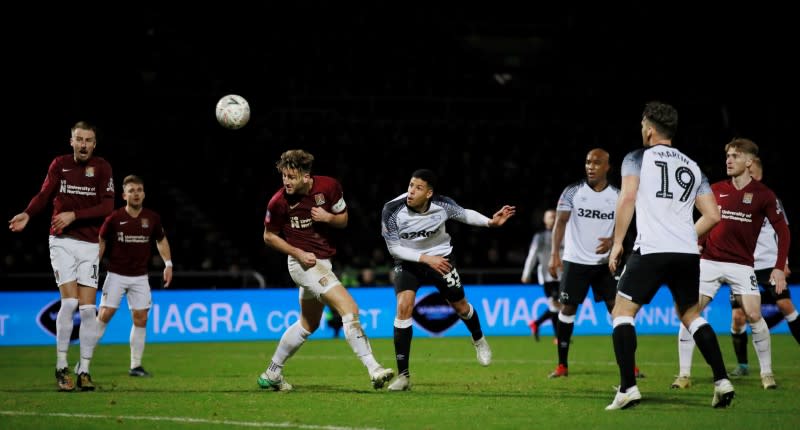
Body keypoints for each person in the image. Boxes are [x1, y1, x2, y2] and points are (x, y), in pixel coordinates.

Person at [607, 101, 733, 410]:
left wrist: (617, 243)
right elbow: (713, 215)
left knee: (622, 312)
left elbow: (627, 198)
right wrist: (688, 235)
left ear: (649, 129)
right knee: (691, 315)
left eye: (641, 125)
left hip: (651, 248)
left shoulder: (636, 158)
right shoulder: (692, 166)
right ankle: (721, 381)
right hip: (687, 252)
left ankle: (628, 388)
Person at [256, 149, 394, 391]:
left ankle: (271, 373)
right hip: (303, 264)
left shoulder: (329, 187)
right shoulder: (278, 202)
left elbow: (343, 219)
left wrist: (328, 218)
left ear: (306, 175)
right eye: (284, 176)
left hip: (323, 261)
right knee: (349, 309)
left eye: (291, 176)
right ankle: (374, 369)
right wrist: (297, 253)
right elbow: (268, 237)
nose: (286, 182)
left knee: (308, 324)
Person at [380, 169, 515, 391]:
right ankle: (403, 376)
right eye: (410, 185)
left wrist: (490, 222)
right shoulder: (392, 210)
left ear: (429, 193)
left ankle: (479, 340)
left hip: (441, 259)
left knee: (461, 307)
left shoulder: (442, 205)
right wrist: (425, 259)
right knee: (403, 307)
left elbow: (465, 214)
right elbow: (394, 249)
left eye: (418, 188)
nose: (411, 191)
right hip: (408, 262)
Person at [673, 140, 791, 390]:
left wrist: (779, 266)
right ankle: (683, 375)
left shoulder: (764, 195)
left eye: (735, 156)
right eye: (727, 155)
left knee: (754, 315)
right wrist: (698, 244)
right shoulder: (715, 189)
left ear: (749, 162)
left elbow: (783, 231)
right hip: (710, 262)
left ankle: (766, 374)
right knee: (688, 314)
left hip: (742, 265)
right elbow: (707, 220)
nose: (728, 160)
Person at [8, 121, 114, 391]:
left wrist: (75, 215)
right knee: (68, 305)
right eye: (78, 139)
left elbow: (107, 205)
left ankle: (85, 370)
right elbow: (44, 195)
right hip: (62, 242)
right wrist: (28, 214)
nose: (83, 144)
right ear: (71, 141)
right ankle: (61, 367)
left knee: (89, 311)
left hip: (90, 244)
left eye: (88, 140)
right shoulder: (60, 164)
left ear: (94, 143)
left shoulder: (103, 167)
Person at [546, 148, 627, 379]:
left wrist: (613, 241)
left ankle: (629, 366)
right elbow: (560, 223)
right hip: (575, 261)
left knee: (618, 311)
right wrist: (554, 254)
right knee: (567, 309)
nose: (590, 166)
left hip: (605, 263)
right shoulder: (572, 192)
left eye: (596, 162)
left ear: (607, 167)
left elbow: (626, 224)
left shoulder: (618, 195)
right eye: (588, 162)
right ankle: (562, 365)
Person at [95, 175, 173, 377]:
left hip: (140, 277)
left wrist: (168, 264)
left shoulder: (152, 218)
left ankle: (135, 366)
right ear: (124, 195)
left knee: (141, 318)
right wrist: (93, 264)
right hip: (116, 274)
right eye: (131, 190)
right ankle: (83, 363)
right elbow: (101, 240)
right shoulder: (114, 218)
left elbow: (161, 240)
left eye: (139, 190)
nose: (136, 193)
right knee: (105, 314)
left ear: (144, 194)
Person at [728, 157, 798, 377]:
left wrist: (783, 263)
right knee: (738, 317)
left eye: (755, 176)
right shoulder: (734, 198)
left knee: (786, 305)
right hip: (742, 264)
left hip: (768, 265)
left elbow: (782, 231)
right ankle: (743, 366)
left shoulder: (770, 199)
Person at [522, 209, 562, 341]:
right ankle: (557, 337)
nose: (553, 219)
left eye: (555, 217)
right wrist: (526, 273)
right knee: (555, 305)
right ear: (544, 220)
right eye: (550, 217)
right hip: (547, 277)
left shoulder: (564, 234)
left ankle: (536, 324)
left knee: (558, 306)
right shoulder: (539, 237)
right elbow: (532, 256)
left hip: (562, 275)